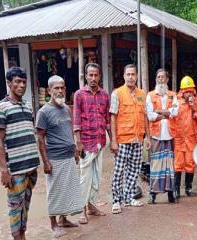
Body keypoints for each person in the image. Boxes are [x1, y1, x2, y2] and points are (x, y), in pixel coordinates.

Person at [0, 67, 40, 240]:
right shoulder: (0, 108)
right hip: (15, 170)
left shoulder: (27, 106)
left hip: (31, 168)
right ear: (9, 83)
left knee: (25, 208)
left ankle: (22, 236)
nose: (21, 85)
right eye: (17, 82)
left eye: (24, 82)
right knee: (15, 209)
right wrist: (4, 171)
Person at [36, 76, 83, 238]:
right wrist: (45, 162)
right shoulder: (43, 112)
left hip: (68, 156)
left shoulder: (66, 109)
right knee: (54, 191)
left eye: (62, 87)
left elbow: (69, 131)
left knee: (68, 189)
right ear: (49, 91)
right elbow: (40, 138)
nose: (60, 90)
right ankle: (53, 224)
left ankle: (63, 219)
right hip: (54, 158)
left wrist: (75, 149)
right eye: (56, 88)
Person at [110, 64, 151, 214]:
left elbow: (145, 116)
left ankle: (128, 198)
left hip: (138, 139)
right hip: (122, 139)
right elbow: (113, 117)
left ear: (137, 76)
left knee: (134, 170)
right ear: (124, 76)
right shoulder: (117, 93)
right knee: (119, 171)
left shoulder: (142, 94)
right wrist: (113, 140)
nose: (131, 77)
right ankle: (116, 200)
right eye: (128, 74)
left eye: (133, 74)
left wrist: (147, 137)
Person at [73, 63, 110, 224]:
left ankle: (92, 205)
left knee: (96, 177)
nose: (93, 78)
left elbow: (107, 120)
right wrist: (78, 142)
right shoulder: (79, 94)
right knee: (85, 177)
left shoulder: (104, 95)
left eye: (96, 75)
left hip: (100, 141)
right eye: (90, 75)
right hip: (86, 143)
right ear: (86, 76)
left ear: (99, 76)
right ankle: (82, 210)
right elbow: (76, 120)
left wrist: (112, 140)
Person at [146, 69, 179, 204]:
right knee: (156, 165)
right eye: (158, 77)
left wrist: (159, 112)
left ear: (167, 79)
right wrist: (167, 113)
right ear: (156, 79)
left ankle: (171, 194)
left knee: (170, 166)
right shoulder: (150, 95)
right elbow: (150, 115)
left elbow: (175, 112)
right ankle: (153, 194)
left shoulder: (172, 95)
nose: (161, 79)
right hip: (156, 136)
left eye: (163, 77)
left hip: (170, 135)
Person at [172, 76, 197, 198]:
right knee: (178, 164)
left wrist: (193, 107)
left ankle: (188, 188)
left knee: (190, 164)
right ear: (182, 92)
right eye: (186, 91)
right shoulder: (176, 103)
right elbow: (170, 118)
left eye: (190, 91)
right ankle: (176, 190)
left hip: (191, 139)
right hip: (179, 139)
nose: (188, 94)